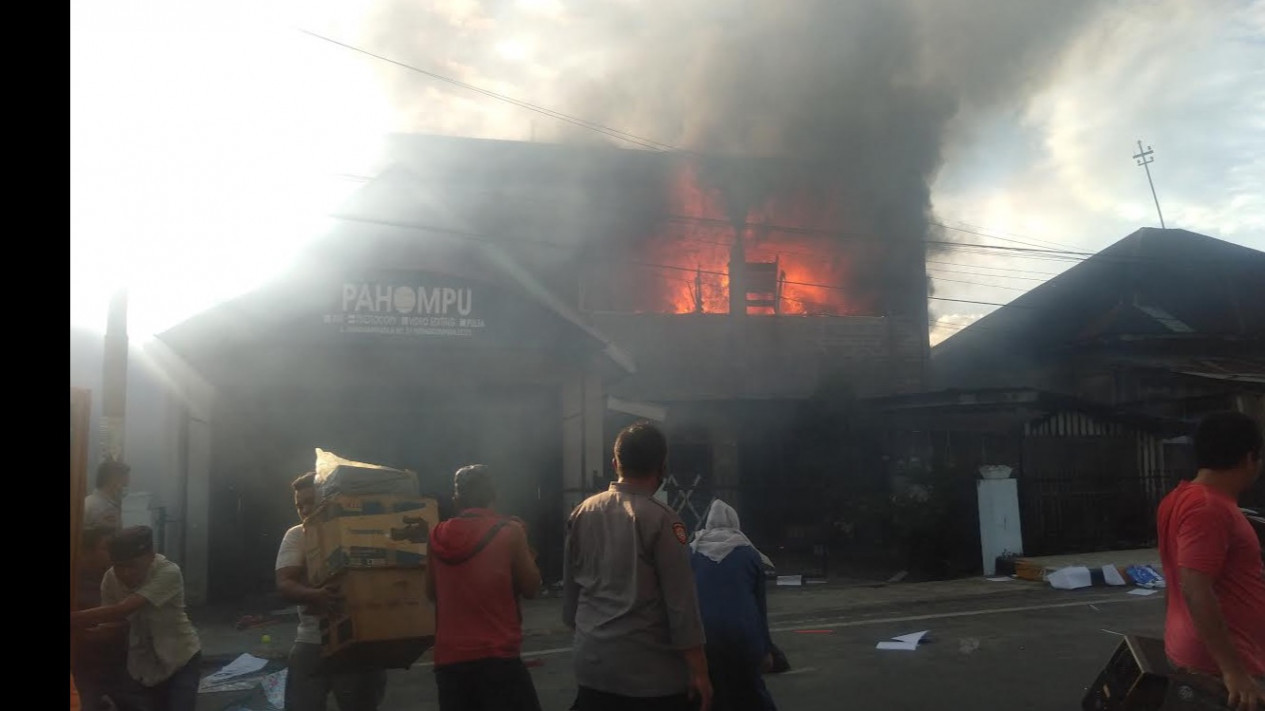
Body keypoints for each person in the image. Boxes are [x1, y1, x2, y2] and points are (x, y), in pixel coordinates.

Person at [563, 421, 713, 711]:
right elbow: (681, 606)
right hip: (649, 676)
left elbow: (571, 601)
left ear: (614, 463)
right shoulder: (662, 519)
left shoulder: (582, 512)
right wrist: (699, 670)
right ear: (662, 467)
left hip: (591, 666)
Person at [1157, 411, 1265, 711]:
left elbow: (1176, 578)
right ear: (1250, 458)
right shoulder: (1208, 507)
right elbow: (1195, 588)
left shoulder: (1179, 498)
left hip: (1199, 655)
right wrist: (1234, 672)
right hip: (1223, 671)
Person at [426, 464, 543, 711]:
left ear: (456, 499)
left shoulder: (436, 536)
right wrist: (527, 551)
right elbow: (532, 587)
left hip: (450, 663)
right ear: (494, 495)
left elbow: (430, 592)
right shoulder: (510, 532)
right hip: (498, 658)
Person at [275, 472, 388, 711]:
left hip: (359, 640)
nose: (305, 510)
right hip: (312, 640)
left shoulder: (357, 529)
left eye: (310, 502)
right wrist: (314, 595)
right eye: (299, 505)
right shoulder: (297, 535)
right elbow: (284, 583)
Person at [70, 525, 202, 711]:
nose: (126, 573)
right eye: (119, 566)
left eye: (132, 566)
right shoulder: (110, 578)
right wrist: (87, 634)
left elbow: (122, 610)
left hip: (180, 660)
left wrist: (75, 619)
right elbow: (116, 624)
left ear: (151, 556)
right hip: (142, 668)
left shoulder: (168, 572)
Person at [689, 499, 778, 711]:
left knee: (708, 694)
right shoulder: (749, 553)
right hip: (743, 636)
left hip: (703, 636)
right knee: (751, 691)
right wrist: (766, 649)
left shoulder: (692, 551)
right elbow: (759, 607)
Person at [73, 526, 129, 711]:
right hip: (82, 666)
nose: (114, 553)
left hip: (119, 663)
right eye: (106, 548)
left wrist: (118, 626)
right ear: (86, 551)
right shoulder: (76, 582)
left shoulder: (120, 576)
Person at [84, 458, 130, 533]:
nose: (124, 488)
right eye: (123, 484)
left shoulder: (113, 504)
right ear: (113, 479)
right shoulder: (89, 504)